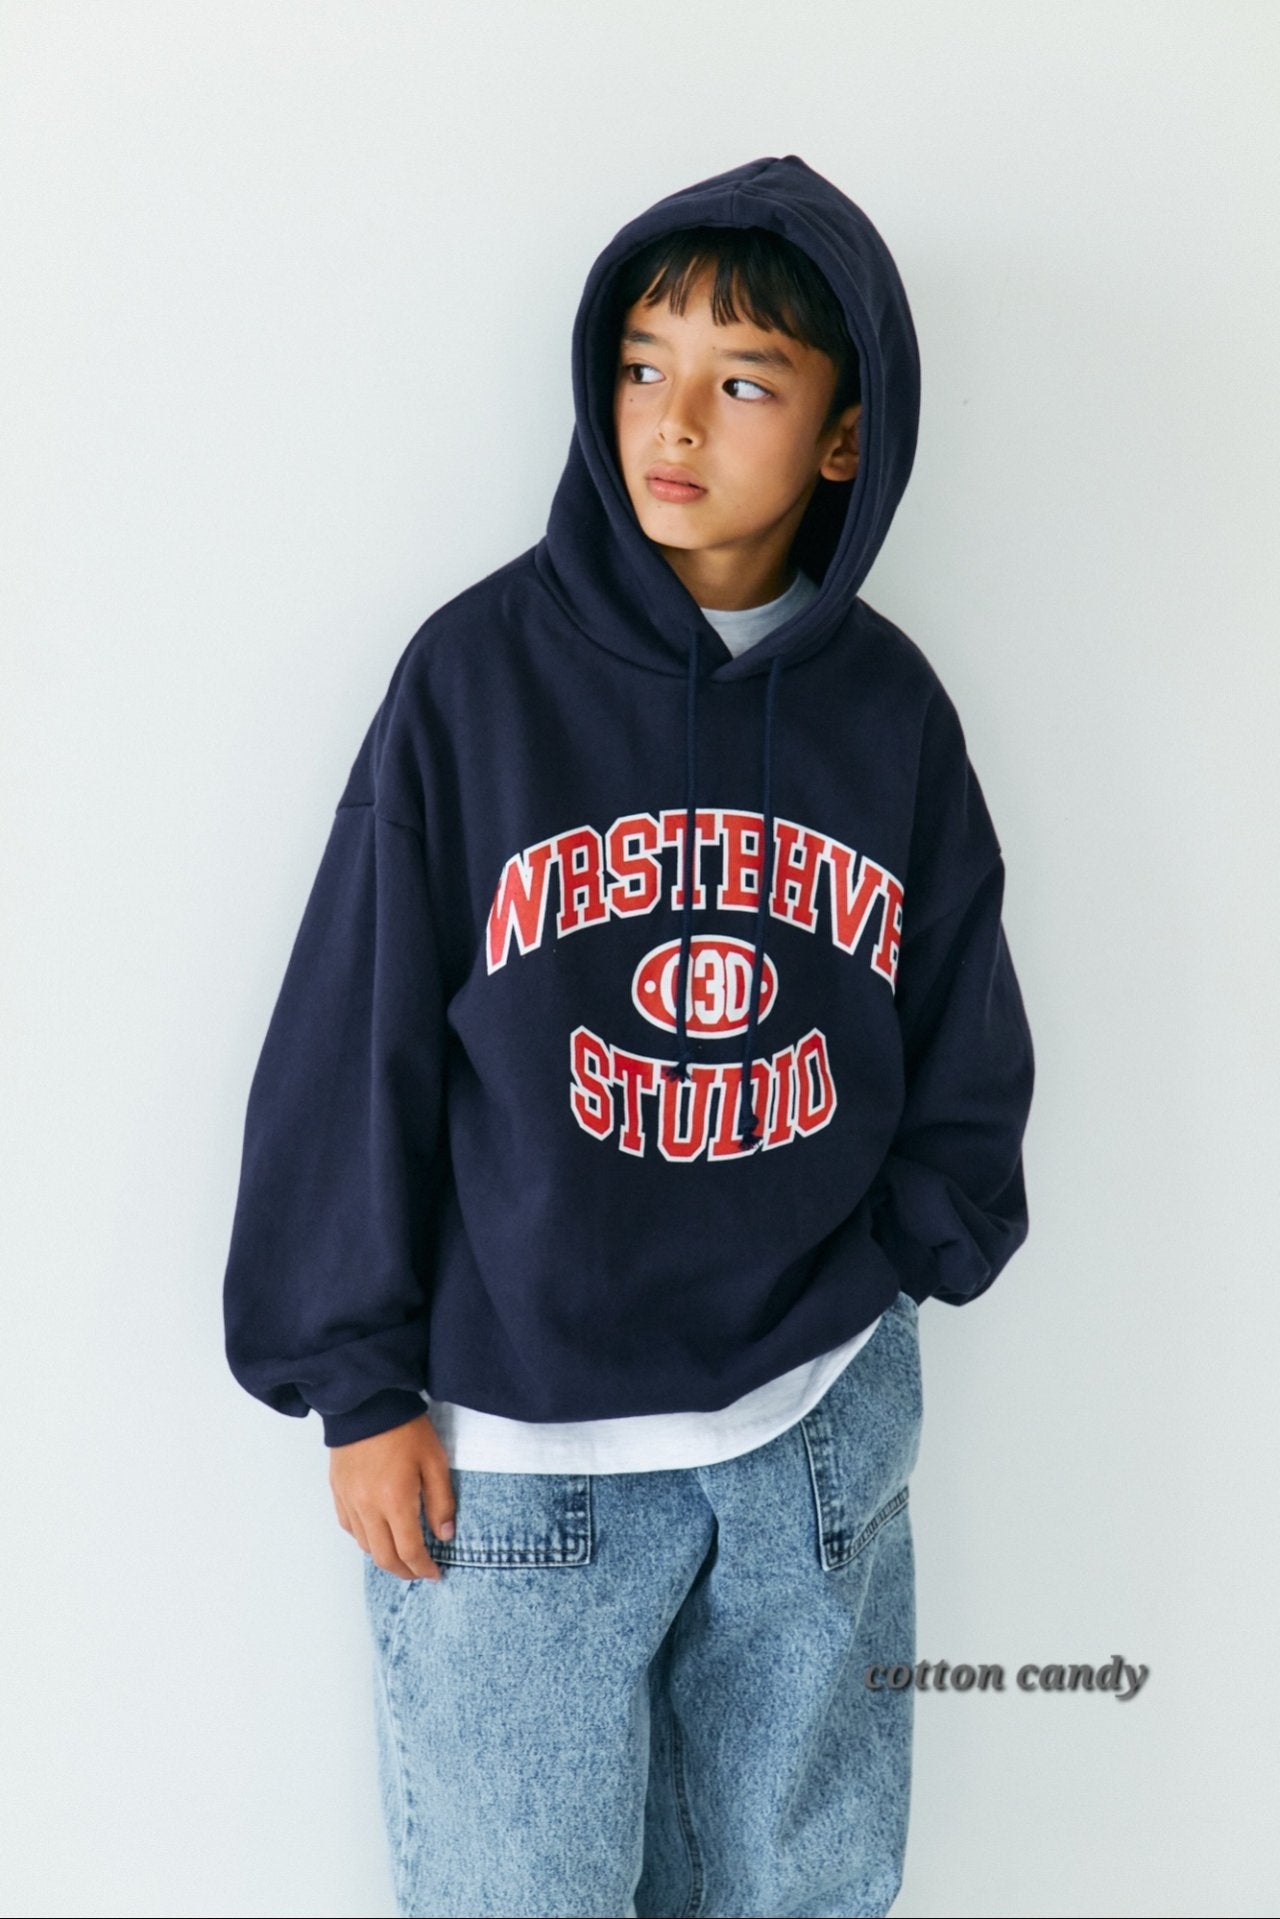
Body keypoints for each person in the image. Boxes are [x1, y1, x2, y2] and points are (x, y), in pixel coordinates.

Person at [222, 153, 1036, 1919]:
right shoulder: (476, 682)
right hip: (520, 1472)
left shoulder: (887, 711)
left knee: (805, 1890)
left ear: (843, 439)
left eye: (744, 383)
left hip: (809, 1431)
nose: (673, 420)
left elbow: (961, 1000)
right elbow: (356, 1034)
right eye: (644, 365)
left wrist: (913, 1261)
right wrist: (357, 1384)